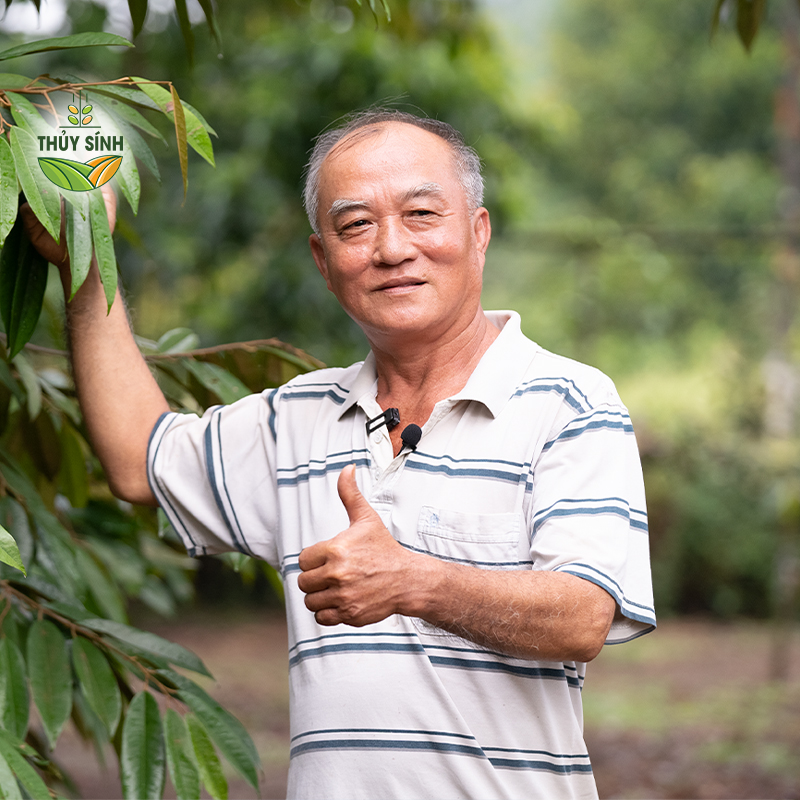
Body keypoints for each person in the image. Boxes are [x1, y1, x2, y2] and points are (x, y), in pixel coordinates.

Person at [26, 109, 655, 800]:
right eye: (355, 225)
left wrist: (411, 580)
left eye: (421, 213)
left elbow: (583, 614)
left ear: (478, 235)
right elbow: (138, 458)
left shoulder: (569, 402)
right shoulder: (297, 417)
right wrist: (84, 254)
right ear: (324, 263)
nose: (391, 248)